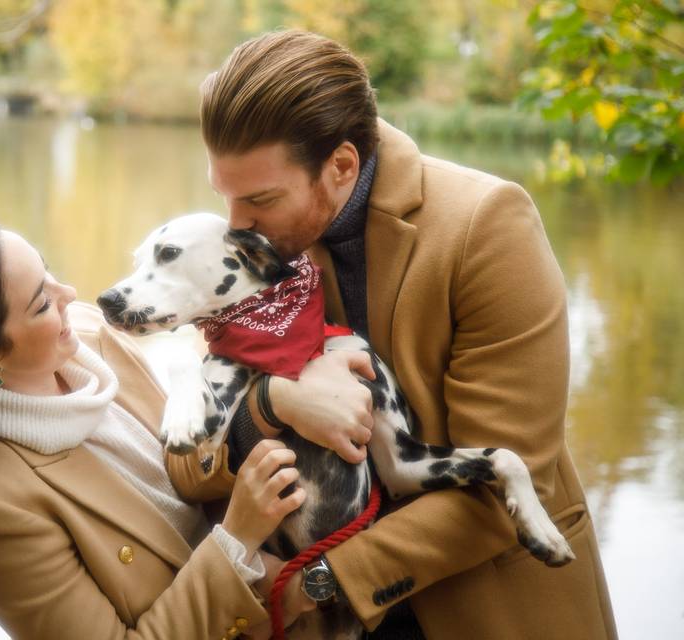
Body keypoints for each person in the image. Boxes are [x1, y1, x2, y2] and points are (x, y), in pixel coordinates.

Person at [167, 30, 618, 639]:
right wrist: (272, 406)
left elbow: (511, 484)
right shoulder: (252, 253)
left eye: (260, 200)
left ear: (341, 165)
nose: (236, 227)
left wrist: (318, 583)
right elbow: (191, 467)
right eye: (226, 198)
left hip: (492, 609)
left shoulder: (489, 228)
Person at [0, 217, 316, 639]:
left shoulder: (90, 335)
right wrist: (238, 542)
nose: (71, 293)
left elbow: (194, 458)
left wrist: (273, 402)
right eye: (42, 303)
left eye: (50, 273)